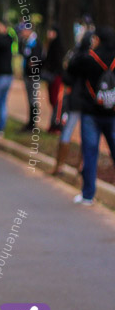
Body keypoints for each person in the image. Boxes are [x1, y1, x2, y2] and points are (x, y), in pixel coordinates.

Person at [65, 26, 115, 206]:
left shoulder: (89, 58)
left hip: (91, 112)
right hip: (112, 113)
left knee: (90, 153)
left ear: (98, 39)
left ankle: (87, 195)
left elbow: (70, 70)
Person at [54, 33, 93, 175]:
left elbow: (66, 76)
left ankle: (60, 165)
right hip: (88, 100)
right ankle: (81, 167)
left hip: (76, 98)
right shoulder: (93, 58)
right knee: (86, 133)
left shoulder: (76, 56)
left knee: (68, 129)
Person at [19, 24, 43, 132]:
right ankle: (30, 123)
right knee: (30, 100)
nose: (22, 33)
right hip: (27, 75)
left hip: (33, 76)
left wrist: (32, 64)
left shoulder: (35, 42)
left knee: (33, 100)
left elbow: (37, 59)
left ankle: (32, 125)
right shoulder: (26, 42)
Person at [42, 27, 66, 133]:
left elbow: (58, 63)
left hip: (57, 77)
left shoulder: (58, 46)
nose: (49, 33)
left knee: (57, 100)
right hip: (51, 76)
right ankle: (54, 123)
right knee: (53, 100)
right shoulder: (50, 45)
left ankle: (56, 124)